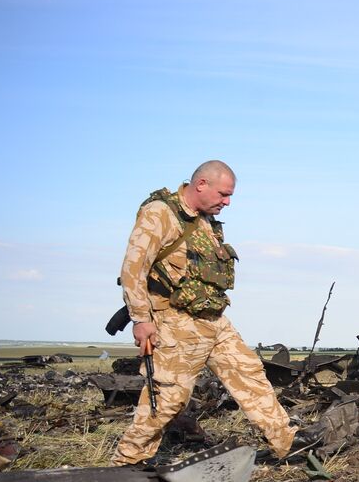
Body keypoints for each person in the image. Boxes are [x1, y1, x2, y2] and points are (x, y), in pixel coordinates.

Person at [112, 160, 296, 465]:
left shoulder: (205, 220)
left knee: (249, 374)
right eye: (223, 194)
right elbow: (134, 269)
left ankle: (286, 442)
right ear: (201, 185)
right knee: (169, 398)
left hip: (213, 320)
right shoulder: (161, 214)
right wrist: (141, 319)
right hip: (176, 321)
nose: (227, 202)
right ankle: (127, 462)